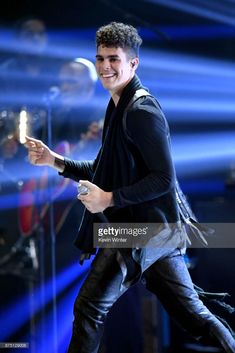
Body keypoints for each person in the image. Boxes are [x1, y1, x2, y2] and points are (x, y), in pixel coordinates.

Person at [24, 22, 235, 353]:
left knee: (89, 308)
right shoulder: (117, 105)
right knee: (194, 317)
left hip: (143, 231)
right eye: (100, 59)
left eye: (113, 59)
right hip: (151, 231)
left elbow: (163, 178)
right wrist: (55, 161)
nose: (105, 67)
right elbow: (105, 169)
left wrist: (109, 198)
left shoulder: (141, 109)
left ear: (133, 63)